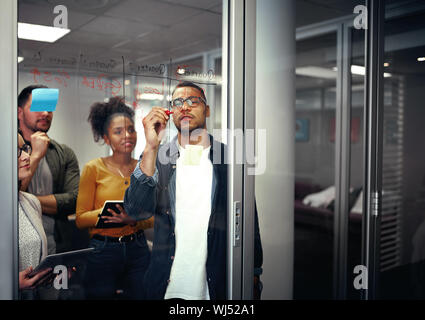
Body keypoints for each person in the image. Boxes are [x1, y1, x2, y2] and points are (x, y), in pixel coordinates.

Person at [124, 81, 263, 300]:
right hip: (167, 285)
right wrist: (151, 146)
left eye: (193, 101)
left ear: (207, 110)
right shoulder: (158, 157)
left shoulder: (229, 159)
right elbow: (135, 211)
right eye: (178, 102)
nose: (185, 107)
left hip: (215, 286)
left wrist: (254, 273)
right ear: (171, 112)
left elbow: (248, 218)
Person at [76, 97, 153, 299]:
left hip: (138, 248)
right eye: (118, 132)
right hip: (103, 250)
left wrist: (133, 219)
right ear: (107, 138)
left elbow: (155, 216)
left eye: (131, 130)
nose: (127, 135)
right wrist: (109, 213)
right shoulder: (93, 168)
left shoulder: (144, 167)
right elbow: (81, 218)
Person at [18, 85, 80, 255]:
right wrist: (36, 156)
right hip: (17, 247)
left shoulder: (64, 153)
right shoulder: (7, 149)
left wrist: (24, 201)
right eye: (37, 107)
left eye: (50, 108)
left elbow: (74, 200)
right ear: (19, 112)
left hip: (57, 246)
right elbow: (8, 202)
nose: (45, 113)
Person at [18, 131, 52, 298]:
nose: (26, 156)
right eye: (17, 151)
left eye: (25, 148)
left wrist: (53, 274)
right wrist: (12, 283)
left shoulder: (31, 202)